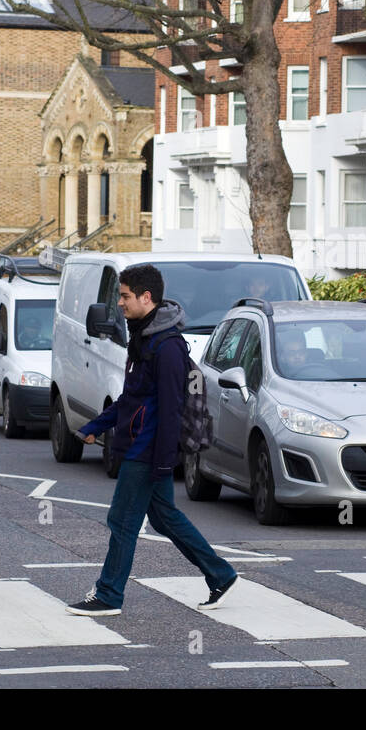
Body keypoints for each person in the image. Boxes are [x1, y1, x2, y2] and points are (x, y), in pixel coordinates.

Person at [66, 263, 239, 617]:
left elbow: (172, 409)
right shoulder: (142, 337)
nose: (120, 303)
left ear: (147, 298)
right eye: (120, 296)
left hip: (147, 451)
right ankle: (220, 574)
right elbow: (132, 399)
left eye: (126, 296)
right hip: (140, 445)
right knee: (164, 519)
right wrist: (97, 425)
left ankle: (109, 595)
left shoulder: (168, 347)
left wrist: (162, 461)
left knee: (122, 520)